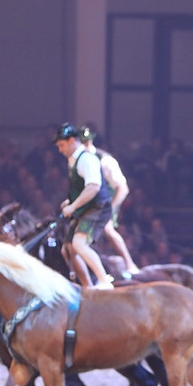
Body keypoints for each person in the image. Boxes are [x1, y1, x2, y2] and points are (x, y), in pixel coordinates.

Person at [52, 124, 114, 289]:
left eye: (61, 145)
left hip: (97, 208)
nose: (60, 150)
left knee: (79, 244)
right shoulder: (73, 160)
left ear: (72, 140)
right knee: (68, 248)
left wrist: (73, 207)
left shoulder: (86, 158)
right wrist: (70, 202)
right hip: (86, 208)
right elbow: (80, 188)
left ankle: (104, 281)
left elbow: (93, 187)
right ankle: (85, 286)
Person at [79, 127, 142, 277]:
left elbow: (123, 188)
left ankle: (130, 264)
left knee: (107, 229)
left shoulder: (105, 160)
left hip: (106, 202)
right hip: (92, 204)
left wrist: (111, 208)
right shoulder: (82, 162)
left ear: (87, 143)